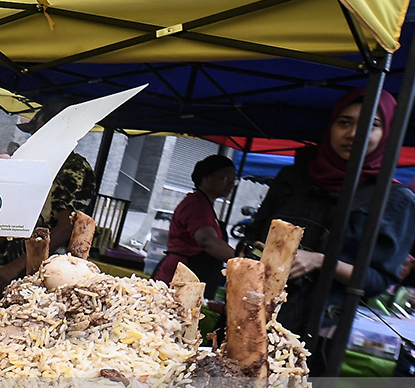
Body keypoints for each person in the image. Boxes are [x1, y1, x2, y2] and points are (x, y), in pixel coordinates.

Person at [243, 87, 415, 367]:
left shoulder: (395, 200)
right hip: (251, 319)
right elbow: (252, 237)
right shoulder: (293, 177)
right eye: (344, 122)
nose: (353, 133)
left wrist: (320, 261)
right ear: (331, 125)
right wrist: (257, 253)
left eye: (371, 125)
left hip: (317, 337)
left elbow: (377, 281)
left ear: (388, 134)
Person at [0, 101, 96, 293]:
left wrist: (17, 267)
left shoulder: (74, 168)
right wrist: (0, 238)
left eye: (39, 132)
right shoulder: (38, 165)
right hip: (15, 261)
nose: (33, 138)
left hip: (48, 273)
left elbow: (66, 228)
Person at [152, 154, 238, 297]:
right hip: (180, 275)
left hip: (194, 275)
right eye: (225, 178)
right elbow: (207, 240)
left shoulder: (206, 205)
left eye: (233, 180)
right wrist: (240, 261)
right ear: (206, 178)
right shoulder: (196, 204)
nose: (230, 184)